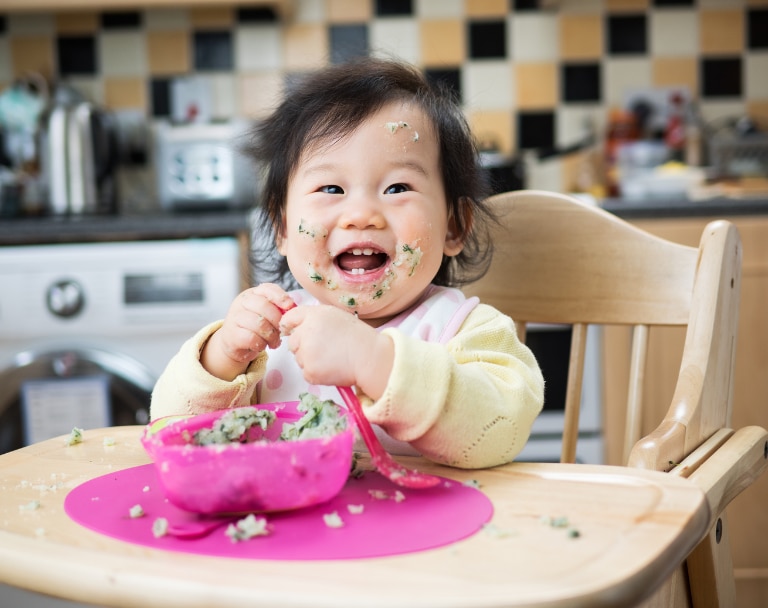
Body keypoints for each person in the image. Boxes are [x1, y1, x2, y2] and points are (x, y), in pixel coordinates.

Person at [150, 57, 544, 469]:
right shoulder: (271, 340)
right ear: (281, 228)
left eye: (397, 187)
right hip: (299, 532)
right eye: (331, 187)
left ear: (452, 227)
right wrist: (222, 358)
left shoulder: (467, 331)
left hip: (433, 532)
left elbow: (499, 431)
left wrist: (372, 360)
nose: (361, 214)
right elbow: (172, 428)